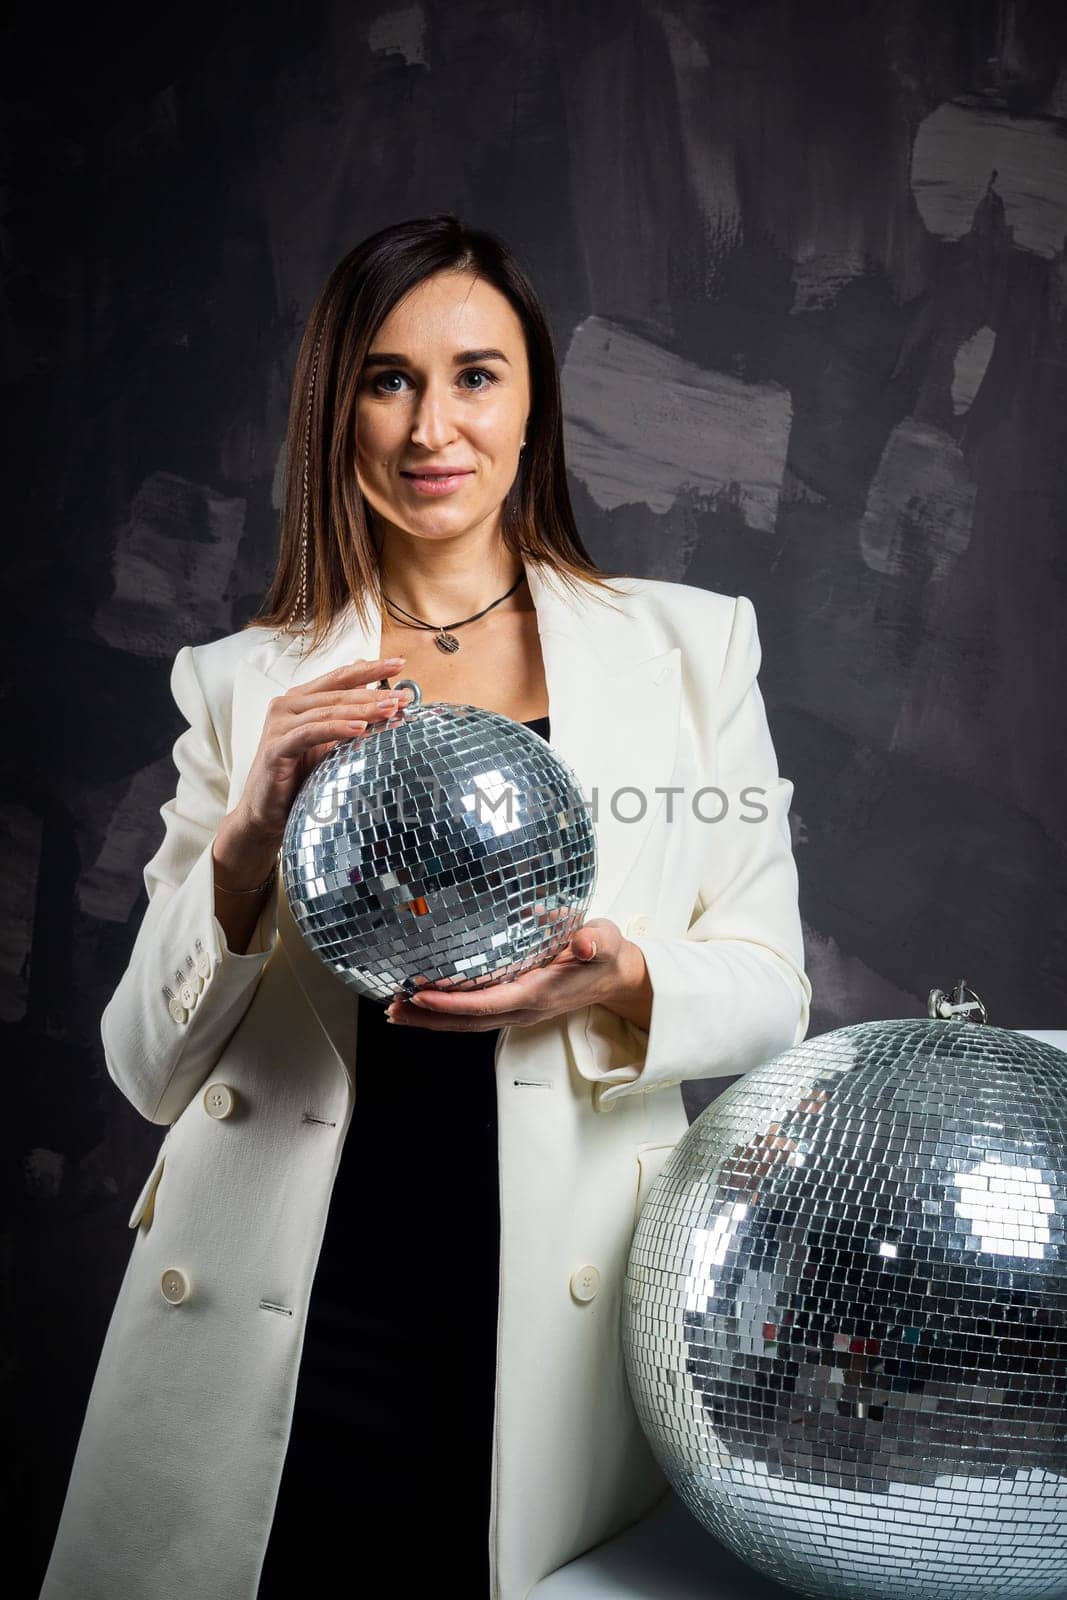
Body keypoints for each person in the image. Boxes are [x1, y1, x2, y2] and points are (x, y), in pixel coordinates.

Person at [40, 213, 812, 1600]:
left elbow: (769, 987)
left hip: (548, 1316)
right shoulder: (243, 682)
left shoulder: (691, 648)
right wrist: (243, 839)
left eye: (476, 375)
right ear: (336, 413)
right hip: (282, 1307)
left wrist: (618, 979)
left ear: (534, 407)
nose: (429, 428)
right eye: (388, 380)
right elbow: (145, 1070)